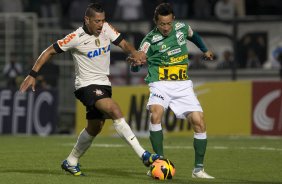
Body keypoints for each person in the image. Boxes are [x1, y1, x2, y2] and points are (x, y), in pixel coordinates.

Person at [19, 3, 160, 176]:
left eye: (103, 20)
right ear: (87, 20)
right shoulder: (75, 37)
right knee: (113, 109)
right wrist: (32, 74)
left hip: (103, 84)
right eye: (97, 21)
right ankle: (143, 155)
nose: (101, 24)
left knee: (95, 127)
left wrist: (134, 52)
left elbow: (123, 44)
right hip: (85, 85)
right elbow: (49, 51)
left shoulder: (106, 28)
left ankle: (71, 161)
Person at [129, 3, 214, 179]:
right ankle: (159, 161)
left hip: (183, 85)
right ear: (155, 22)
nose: (165, 28)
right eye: (162, 24)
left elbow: (194, 36)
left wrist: (205, 50)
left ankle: (198, 170)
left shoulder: (182, 28)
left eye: (168, 23)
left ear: (173, 20)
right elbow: (137, 62)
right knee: (155, 113)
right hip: (160, 83)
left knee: (199, 121)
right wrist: (136, 65)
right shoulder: (149, 40)